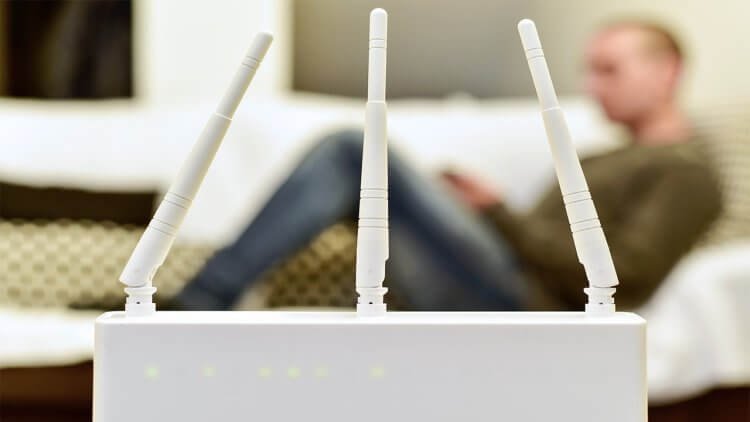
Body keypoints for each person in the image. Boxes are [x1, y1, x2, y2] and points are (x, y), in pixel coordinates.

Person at [174, 21, 722, 311]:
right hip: (503, 273)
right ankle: (207, 299)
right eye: (590, 70)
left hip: (528, 303)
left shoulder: (686, 172)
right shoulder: (607, 155)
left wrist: (497, 212)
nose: (591, 85)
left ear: (667, 71)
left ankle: (201, 299)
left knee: (352, 150)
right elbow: (545, 237)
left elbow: (622, 272)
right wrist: (479, 209)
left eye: (609, 70)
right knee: (362, 178)